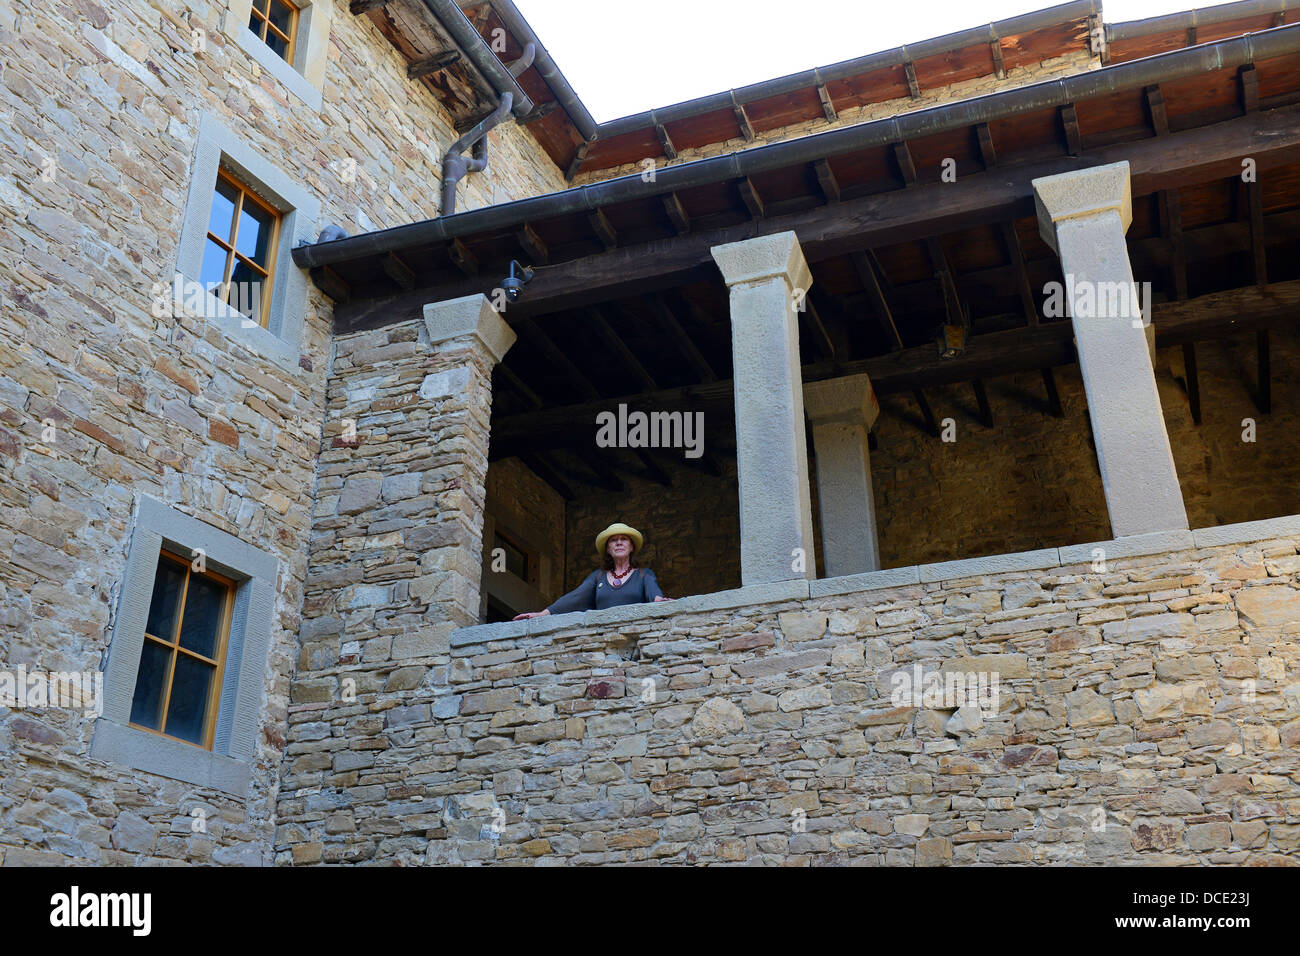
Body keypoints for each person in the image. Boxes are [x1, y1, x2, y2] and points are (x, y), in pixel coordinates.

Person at [513, 522, 670, 619]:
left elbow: (654, 595)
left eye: (624, 539)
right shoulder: (598, 577)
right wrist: (543, 614)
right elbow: (574, 598)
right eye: (614, 540)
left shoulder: (644, 574)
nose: (619, 543)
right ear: (608, 549)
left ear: (631, 547)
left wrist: (660, 601)